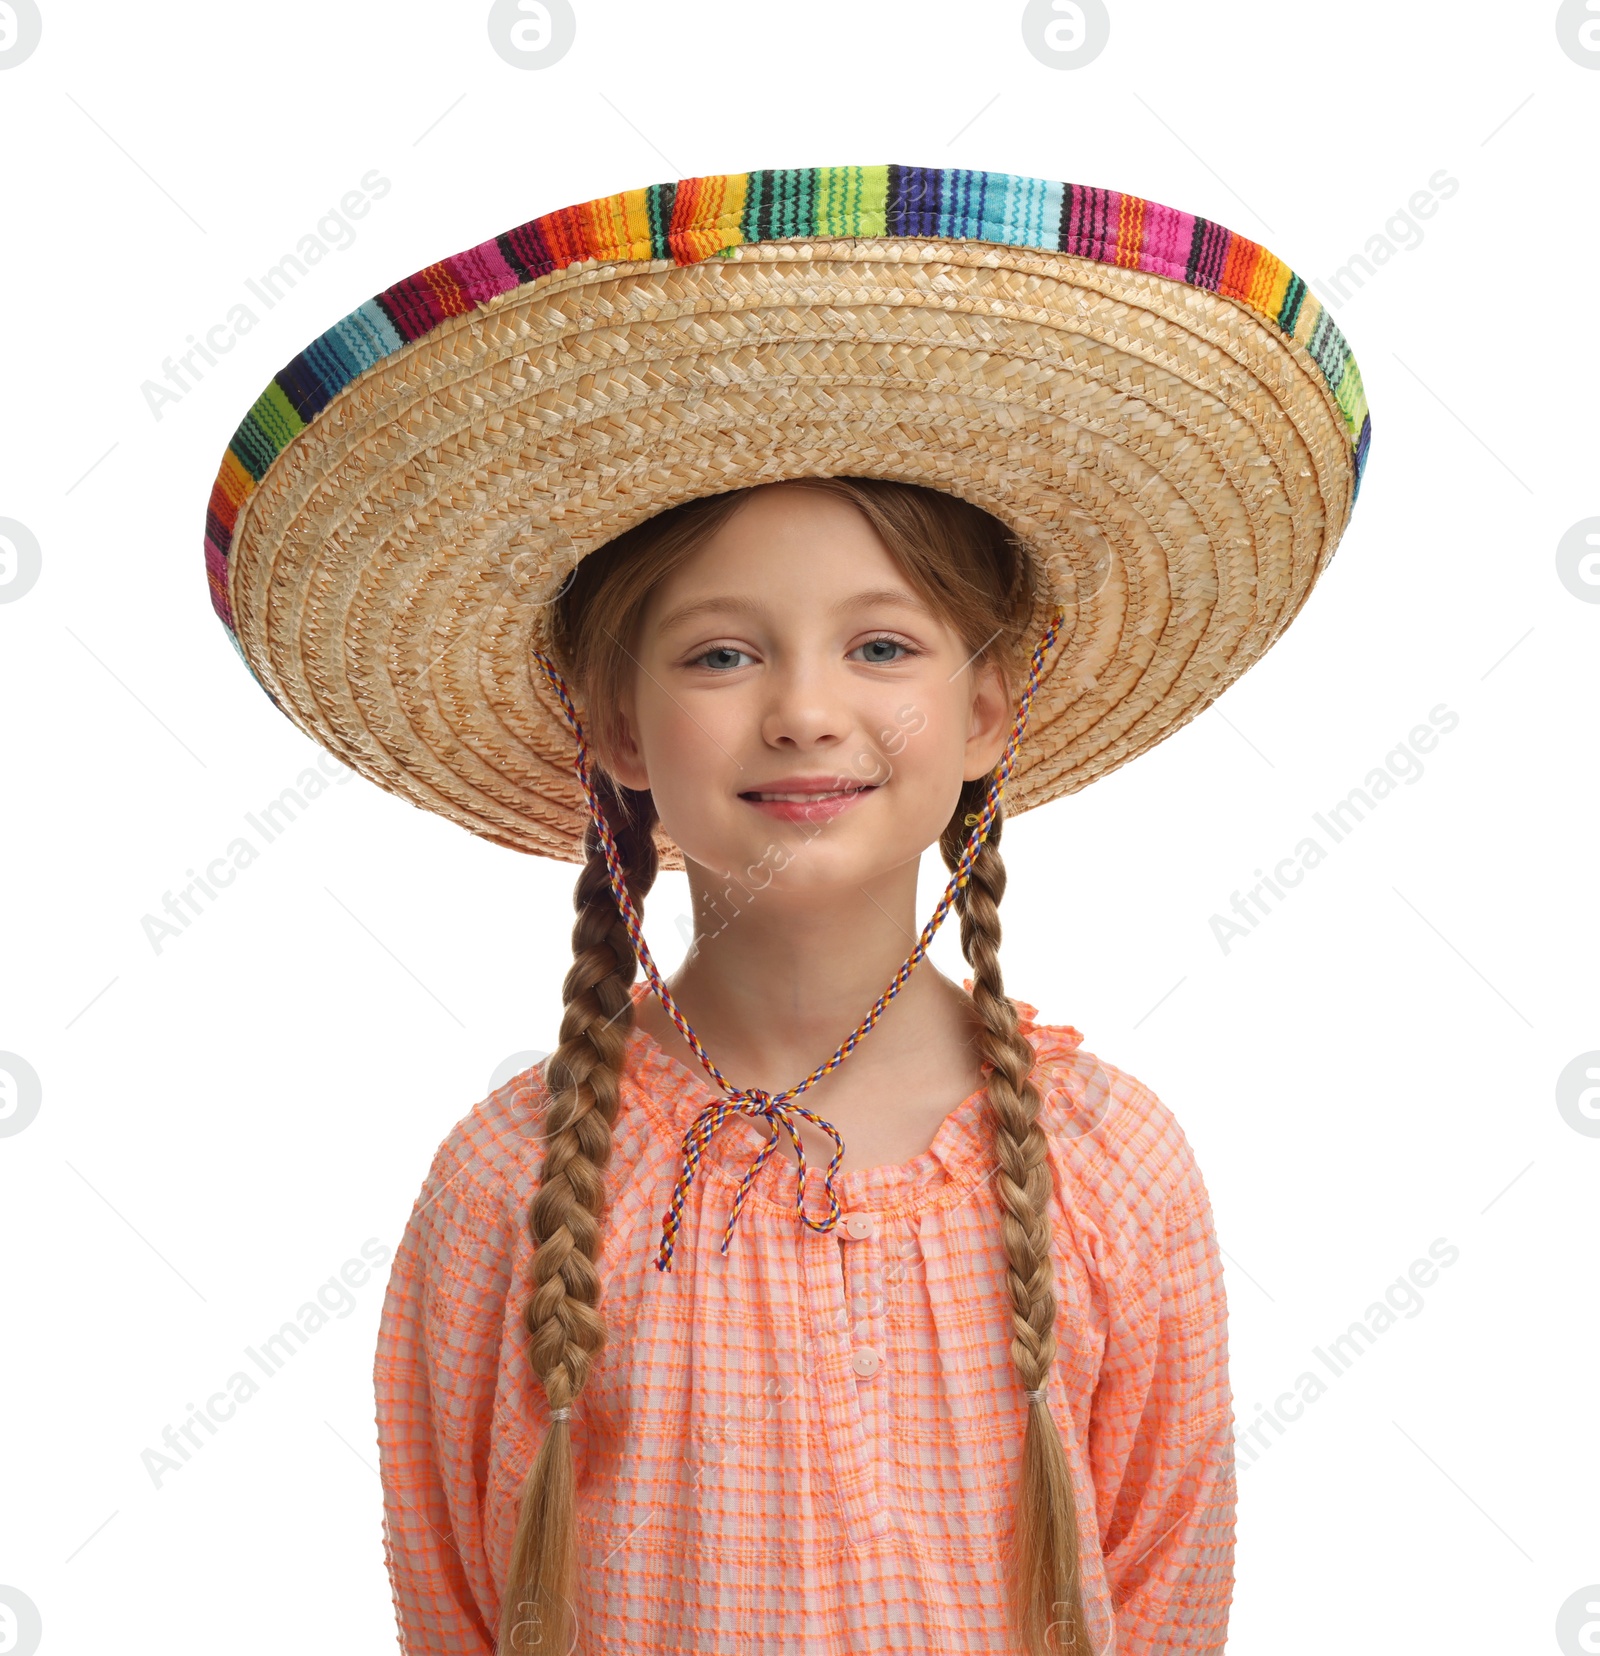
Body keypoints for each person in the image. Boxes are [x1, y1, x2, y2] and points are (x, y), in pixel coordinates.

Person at [202, 164, 1370, 1655]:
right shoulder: (507, 1188)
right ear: (616, 731)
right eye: (717, 658)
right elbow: (452, 1608)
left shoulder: (1110, 1168)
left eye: (882, 646)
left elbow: (1166, 1601)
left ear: (988, 710)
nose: (807, 712)